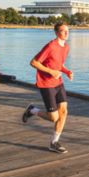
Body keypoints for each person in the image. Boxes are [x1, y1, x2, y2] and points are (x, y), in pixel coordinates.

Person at [22, 22, 74, 154]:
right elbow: (34, 62)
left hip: (58, 83)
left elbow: (58, 64)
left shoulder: (66, 47)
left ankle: (54, 142)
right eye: (63, 31)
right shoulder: (51, 46)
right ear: (57, 33)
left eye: (67, 30)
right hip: (46, 83)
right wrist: (51, 72)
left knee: (64, 112)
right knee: (53, 118)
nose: (66, 33)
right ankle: (32, 110)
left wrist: (67, 71)